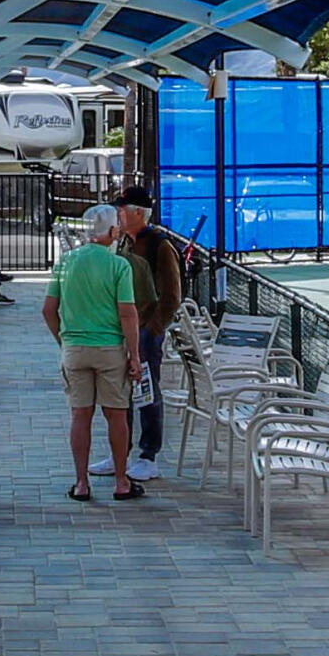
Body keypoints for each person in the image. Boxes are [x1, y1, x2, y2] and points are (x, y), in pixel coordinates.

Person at [43, 204, 141, 501]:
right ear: (112, 231)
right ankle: (121, 481)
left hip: (75, 349)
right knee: (116, 415)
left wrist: (64, 340)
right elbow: (127, 313)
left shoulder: (65, 262)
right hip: (110, 350)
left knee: (80, 415)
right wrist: (134, 355)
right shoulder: (119, 266)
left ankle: (81, 483)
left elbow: (48, 309)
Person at [91, 186, 185, 482]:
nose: (118, 214)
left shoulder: (159, 245)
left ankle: (148, 455)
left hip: (144, 330)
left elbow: (171, 295)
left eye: (122, 210)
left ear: (138, 213)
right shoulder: (124, 242)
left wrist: (152, 329)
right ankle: (121, 452)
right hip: (122, 330)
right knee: (120, 392)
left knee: (147, 390)